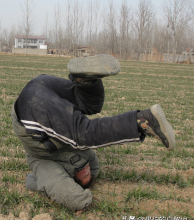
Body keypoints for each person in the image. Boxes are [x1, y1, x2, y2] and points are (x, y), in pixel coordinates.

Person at [11, 55, 175, 212]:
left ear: (70, 176)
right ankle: (85, 81)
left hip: (31, 107)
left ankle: (141, 122)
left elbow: (65, 193)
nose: (87, 169)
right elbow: (93, 165)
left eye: (84, 175)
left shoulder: (44, 165)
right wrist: (91, 174)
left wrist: (82, 203)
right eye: (89, 172)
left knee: (83, 136)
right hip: (44, 84)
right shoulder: (86, 157)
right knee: (90, 105)